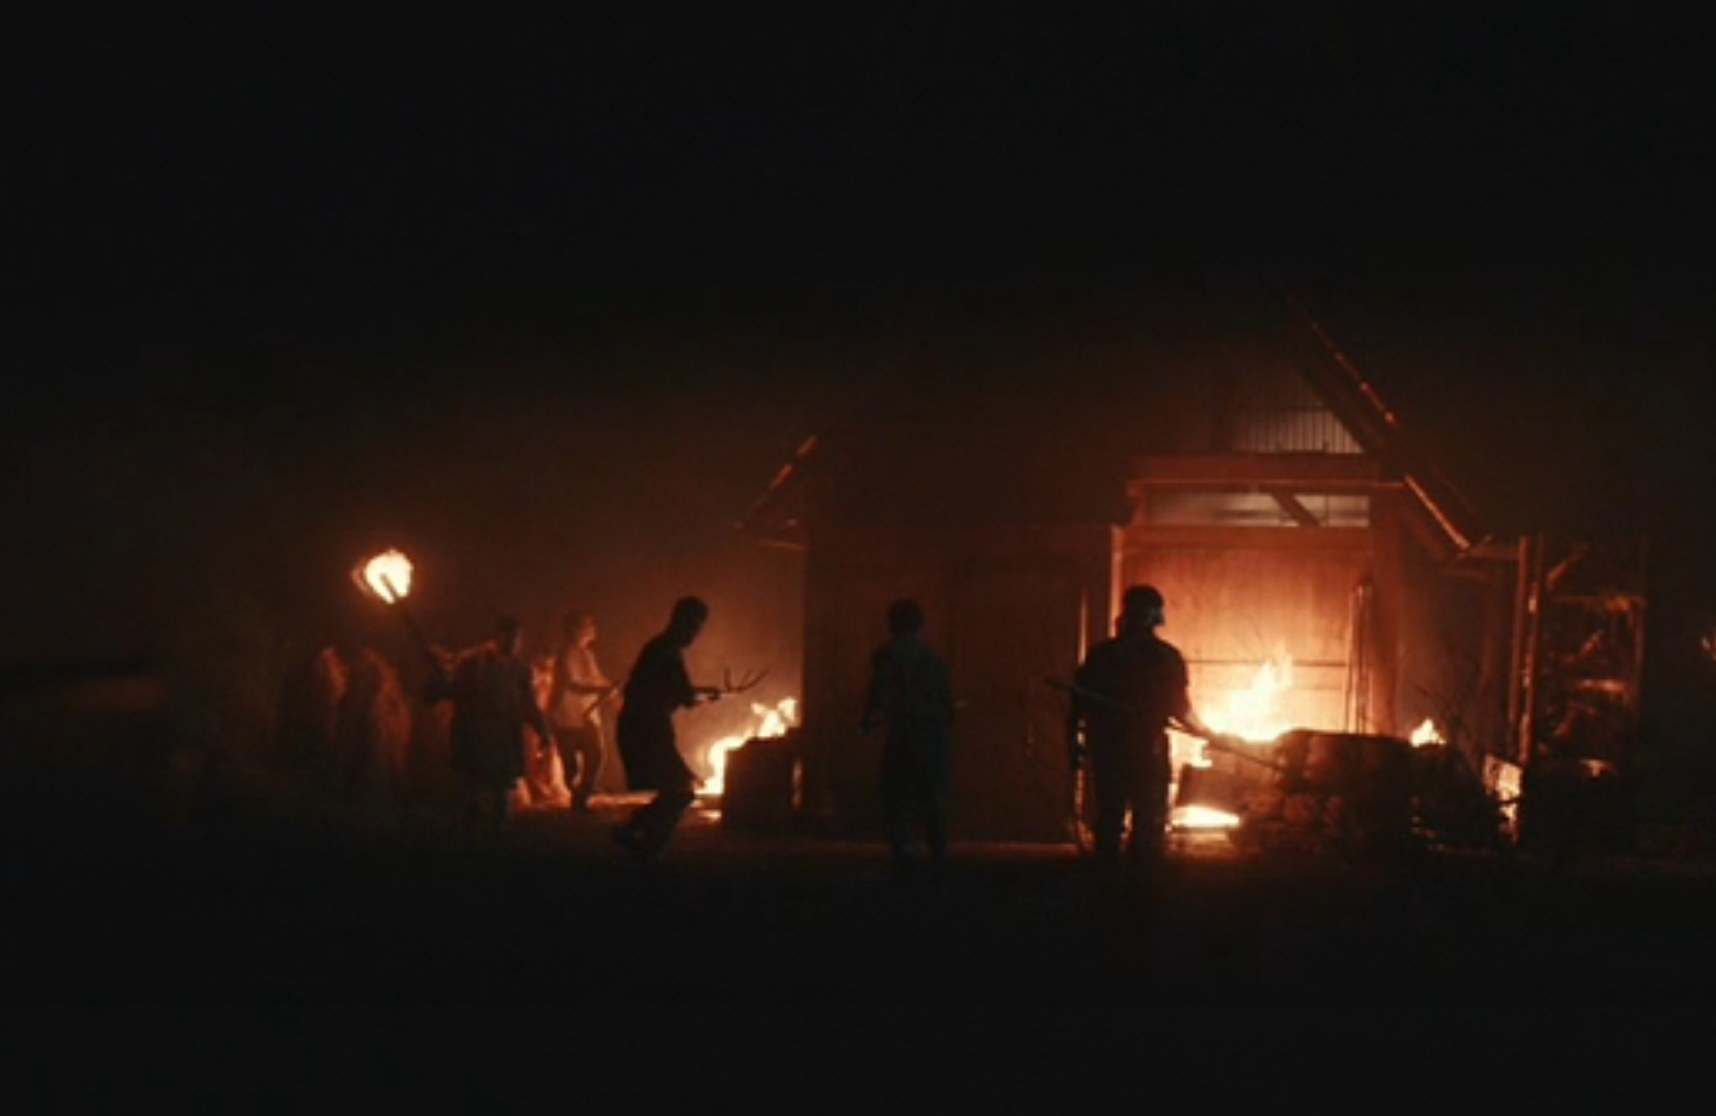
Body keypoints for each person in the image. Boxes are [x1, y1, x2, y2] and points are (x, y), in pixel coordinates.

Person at [1066, 584, 1218, 878]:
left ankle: (1109, 892)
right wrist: (1205, 731)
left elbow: (1077, 707)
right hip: (1144, 751)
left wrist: (1073, 743)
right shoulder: (1163, 657)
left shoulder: (1102, 655)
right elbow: (1179, 708)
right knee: (1144, 825)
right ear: (1154, 616)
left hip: (1110, 750)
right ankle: (1138, 892)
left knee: (1111, 821)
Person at [427, 614, 555, 852]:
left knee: (502, 791)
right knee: (473, 791)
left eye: (518, 638)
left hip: (504, 734)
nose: (515, 643)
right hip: (475, 732)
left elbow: (529, 704)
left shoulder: (520, 669)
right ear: (498, 637)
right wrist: (440, 680)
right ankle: (469, 842)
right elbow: (447, 692)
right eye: (510, 637)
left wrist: (543, 730)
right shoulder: (473, 663)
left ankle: (498, 840)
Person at [610, 596, 722, 860]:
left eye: (698, 629)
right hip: (644, 729)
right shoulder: (664, 651)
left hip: (648, 728)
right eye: (693, 627)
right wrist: (706, 695)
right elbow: (684, 696)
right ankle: (640, 840)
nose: (694, 635)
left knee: (678, 790)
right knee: (680, 790)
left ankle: (640, 839)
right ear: (679, 621)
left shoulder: (663, 649)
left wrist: (705, 693)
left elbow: (679, 692)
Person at [860, 598, 957, 881]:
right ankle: (938, 856)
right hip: (933, 735)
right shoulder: (932, 658)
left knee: (897, 795)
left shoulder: (889, 655)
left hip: (903, 733)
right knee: (932, 796)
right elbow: (947, 701)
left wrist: (868, 718)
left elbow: (879, 689)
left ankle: (905, 855)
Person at [544, 609, 617, 812]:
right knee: (572, 766)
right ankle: (578, 796)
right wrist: (603, 689)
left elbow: (596, 679)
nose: (592, 629)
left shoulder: (587, 654)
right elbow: (573, 684)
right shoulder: (566, 653)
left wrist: (613, 691)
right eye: (587, 625)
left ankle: (581, 796)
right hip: (567, 716)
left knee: (595, 756)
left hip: (587, 716)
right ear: (575, 630)